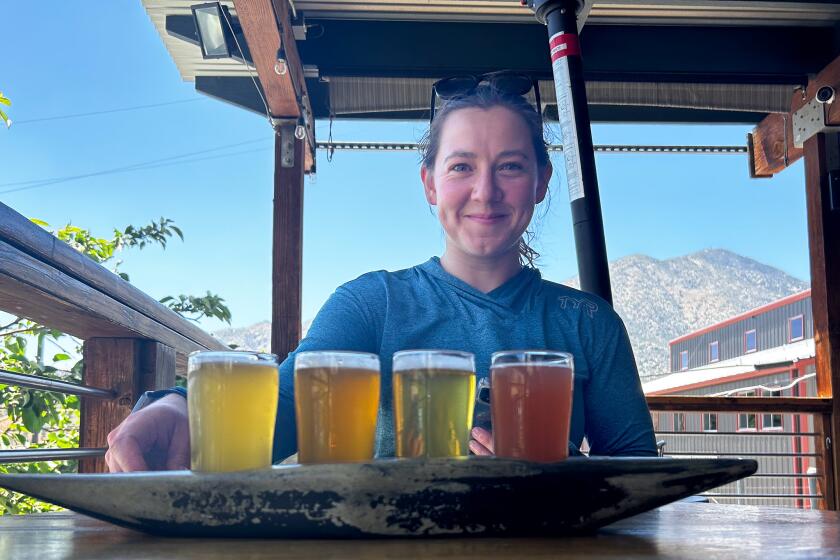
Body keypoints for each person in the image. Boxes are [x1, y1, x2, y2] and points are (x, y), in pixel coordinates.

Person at [105, 77, 656, 472]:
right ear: (430, 185)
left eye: (510, 167)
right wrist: (175, 406)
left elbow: (640, 475)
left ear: (540, 183)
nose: (485, 191)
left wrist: (566, 471)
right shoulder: (373, 304)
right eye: (461, 166)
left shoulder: (588, 323)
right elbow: (283, 409)